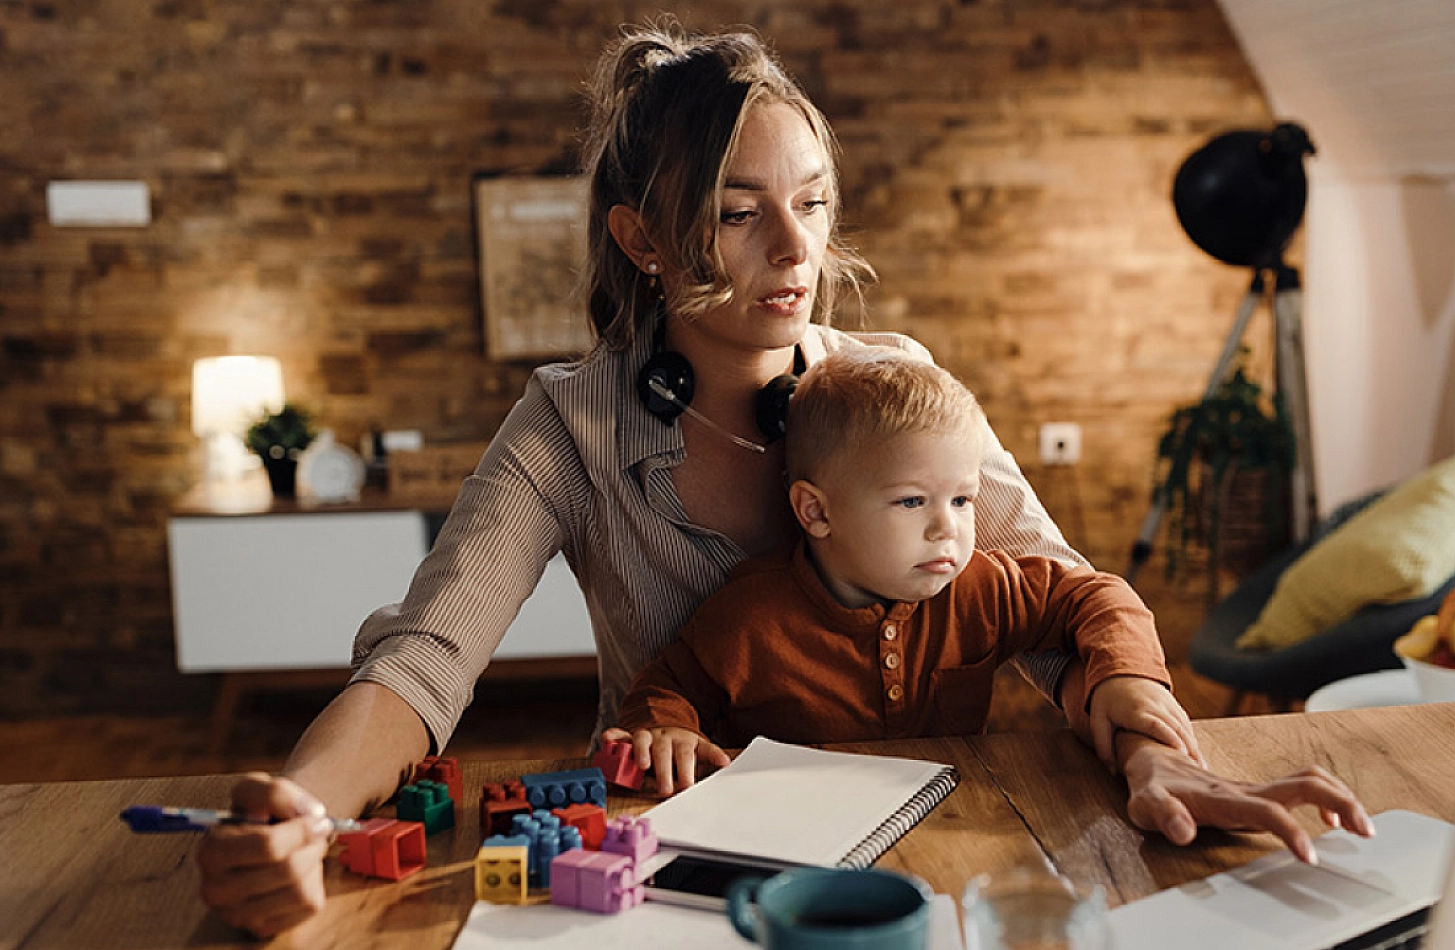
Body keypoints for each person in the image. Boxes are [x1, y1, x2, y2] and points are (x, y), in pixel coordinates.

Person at [195, 21, 1371, 938]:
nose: (797, 251)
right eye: (739, 213)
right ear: (641, 238)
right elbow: (424, 657)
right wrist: (303, 810)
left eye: (810, 203)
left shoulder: (893, 383)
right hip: (676, 864)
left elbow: (1061, 597)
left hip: (930, 847)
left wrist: (1157, 744)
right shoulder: (566, 423)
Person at [606, 349, 1196, 794]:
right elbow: (665, 692)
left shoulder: (979, 589)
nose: (949, 529)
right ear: (816, 510)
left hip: (960, 822)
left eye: (962, 500)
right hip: (800, 843)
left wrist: (1126, 677)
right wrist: (663, 729)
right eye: (913, 501)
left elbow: (1095, 595)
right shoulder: (746, 620)